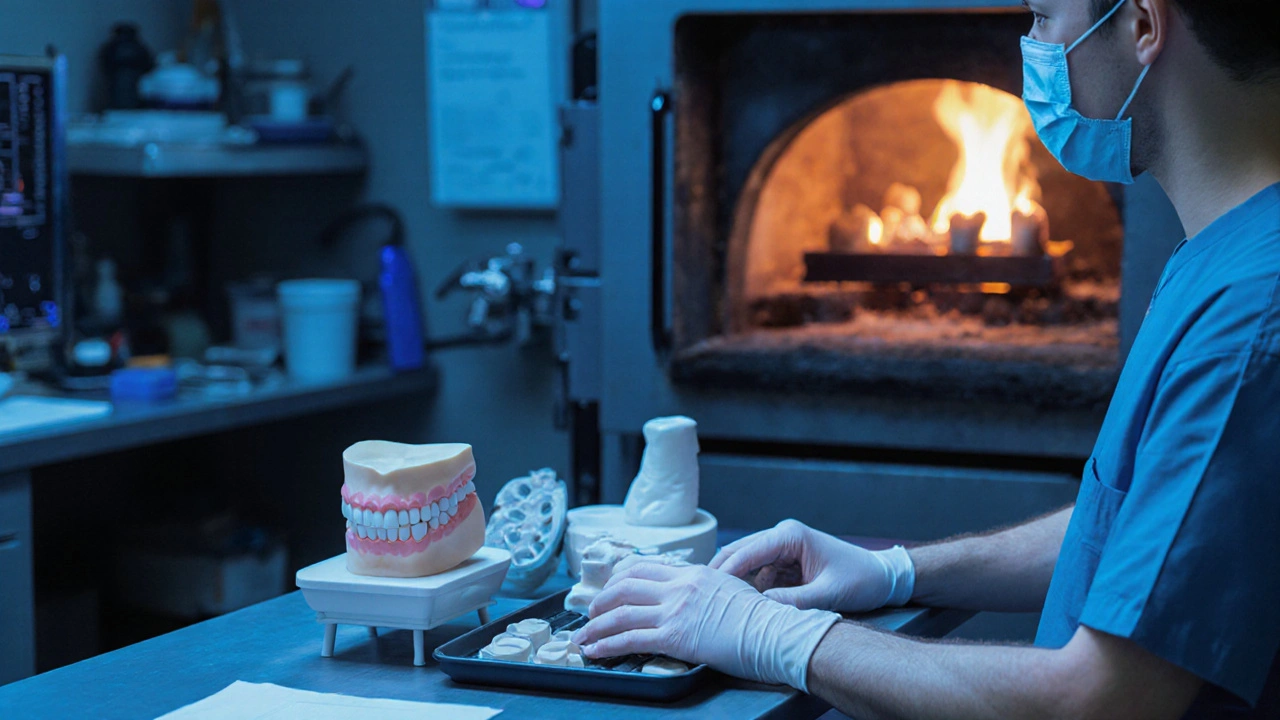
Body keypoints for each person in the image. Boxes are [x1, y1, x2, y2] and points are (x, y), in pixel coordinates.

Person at [572, 0, 1280, 717]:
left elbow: (1097, 702)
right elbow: (1144, 530)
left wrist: (772, 635)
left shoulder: (1249, 321)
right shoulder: (1224, 259)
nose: (1032, 47)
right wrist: (894, 572)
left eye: (1041, 17)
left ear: (1143, 26)